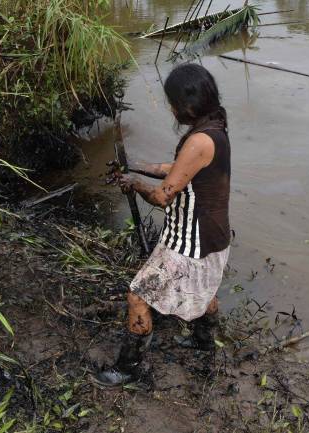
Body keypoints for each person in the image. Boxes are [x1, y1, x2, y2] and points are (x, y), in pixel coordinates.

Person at [93, 63, 231, 387]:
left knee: (138, 297)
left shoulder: (198, 141)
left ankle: (130, 368)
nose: (171, 109)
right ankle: (204, 341)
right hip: (215, 236)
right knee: (205, 289)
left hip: (191, 241)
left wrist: (135, 183)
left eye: (172, 103)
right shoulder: (215, 131)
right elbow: (179, 168)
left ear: (187, 105)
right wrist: (137, 167)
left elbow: (162, 197)